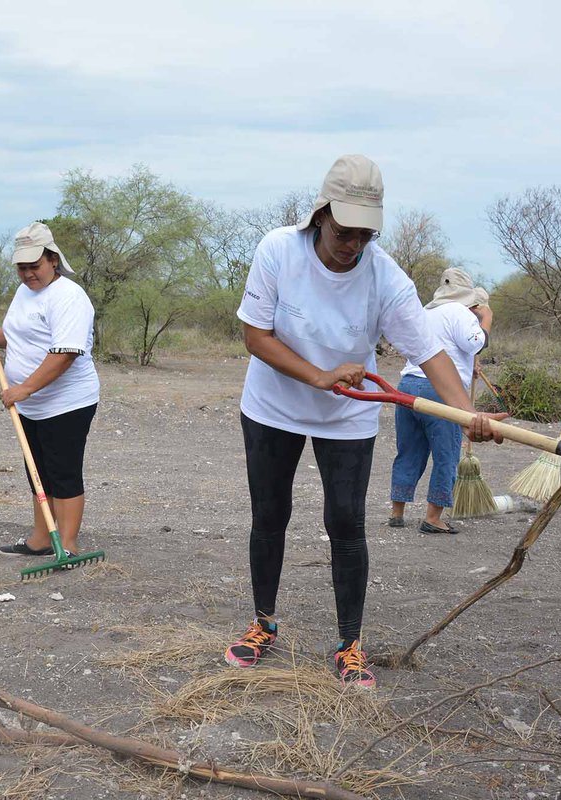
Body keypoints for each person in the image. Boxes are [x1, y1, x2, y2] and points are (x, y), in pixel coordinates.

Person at [225, 155, 503, 689]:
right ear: (320, 215)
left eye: (364, 234)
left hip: (348, 413)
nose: (352, 244)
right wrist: (319, 376)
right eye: (343, 231)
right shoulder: (278, 250)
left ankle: (350, 644)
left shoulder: (386, 278)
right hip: (273, 406)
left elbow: (430, 352)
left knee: (346, 524)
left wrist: (467, 413)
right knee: (270, 513)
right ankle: (263, 624)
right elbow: (256, 337)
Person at [0, 222, 99, 556]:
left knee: (62, 472)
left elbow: (65, 353)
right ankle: (42, 540)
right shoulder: (24, 293)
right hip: (30, 404)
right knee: (37, 472)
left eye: (34, 265)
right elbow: (20, 337)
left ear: (53, 259)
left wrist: (25, 389)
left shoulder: (69, 297)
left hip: (67, 402)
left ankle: (67, 545)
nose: (28, 273)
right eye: (22, 267)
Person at [389, 268, 491, 533]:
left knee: (409, 450)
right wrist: (486, 320)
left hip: (407, 386)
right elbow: (474, 343)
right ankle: (433, 518)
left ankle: (397, 512)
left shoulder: (424, 311)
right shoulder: (460, 311)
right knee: (446, 453)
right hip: (440, 390)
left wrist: (470, 365)